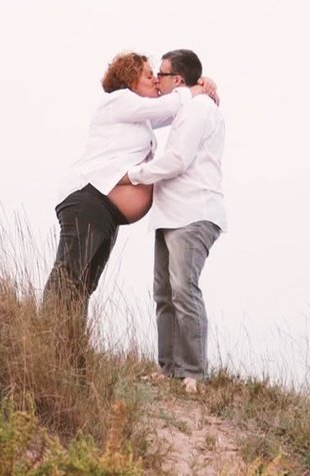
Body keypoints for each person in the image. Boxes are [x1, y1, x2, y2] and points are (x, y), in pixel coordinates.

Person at [43, 51, 215, 370]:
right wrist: (190, 88)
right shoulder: (119, 100)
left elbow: (175, 111)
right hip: (88, 196)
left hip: (106, 209)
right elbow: (171, 104)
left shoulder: (141, 116)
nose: (154, 80)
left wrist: (201, 87)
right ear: (130, 78)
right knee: (69, 274)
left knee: (85, 282)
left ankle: (66, 352)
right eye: (148, 74)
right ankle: (43, 345)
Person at [121, 49, 227, 393]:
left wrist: (133, 176)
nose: (156, 80)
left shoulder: (199, 109)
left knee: (184, 290)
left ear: (177, 80)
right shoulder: (187, 107)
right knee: (164, 293)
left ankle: (193, 372)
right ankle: (168, 369)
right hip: (170, 215)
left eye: (161, 75)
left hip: (193, 213)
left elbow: (178, 159)